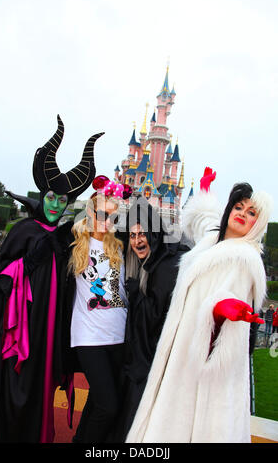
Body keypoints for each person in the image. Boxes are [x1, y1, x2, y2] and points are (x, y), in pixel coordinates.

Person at [0, 115, 103, 443]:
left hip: (47, 336)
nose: (55, 205)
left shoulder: (65, 239)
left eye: (62, 201)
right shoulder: (24, 231)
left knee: (39, 392)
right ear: (42, 195)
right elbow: (0, 284)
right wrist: (28, 263)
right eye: (51, 198)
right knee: (12, 391)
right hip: (20, 334)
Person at [126, 167, 272, 443]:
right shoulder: (212, 241)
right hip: (183, 349)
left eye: (251, 212)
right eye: (238, 206)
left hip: (202, 359)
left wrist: (220, 310)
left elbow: (225, 301)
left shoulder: (243, 258)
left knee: (194, 423)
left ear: (259, 223)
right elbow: (205, 220)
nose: (242, 213)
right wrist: (204, 192)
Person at [111, 196, 189, 442]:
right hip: (142, 360)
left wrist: (136, 294)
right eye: (133, 236)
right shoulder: (151, 260)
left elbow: (155, 316)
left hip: (152, 364)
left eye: (142, 234)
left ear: (154, 234)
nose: (137, 241)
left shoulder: (165, 266)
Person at [68, 175, 132, 444]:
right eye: (102, 214)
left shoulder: (119, 246)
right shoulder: (73, 246)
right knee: (109, 406)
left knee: (98, 401)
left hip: (118, 335)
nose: (107, 222)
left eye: (113, 218)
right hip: (88, 337)